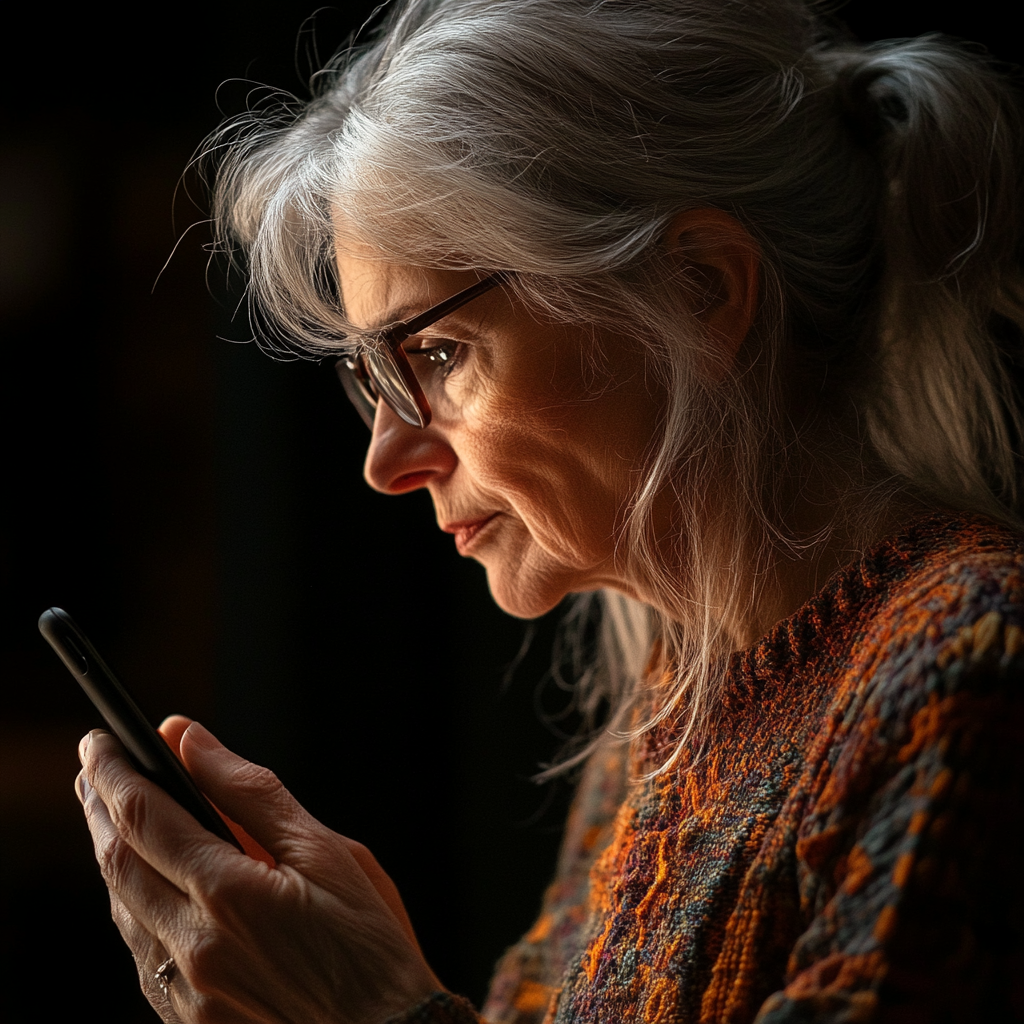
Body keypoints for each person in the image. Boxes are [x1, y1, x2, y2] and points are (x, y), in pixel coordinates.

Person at [75, 0, 1024, 1020]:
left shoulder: (967, 670)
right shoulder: (662, 723)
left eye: (434, 355)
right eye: (370, 379)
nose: (385, 460)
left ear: (700, 291)